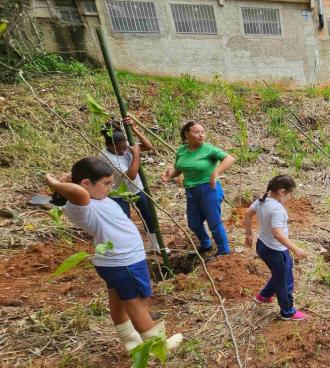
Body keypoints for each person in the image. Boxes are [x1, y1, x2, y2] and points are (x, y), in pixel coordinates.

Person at [44, 158, 183, 353]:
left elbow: (78, 189)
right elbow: (78, 192)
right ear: (86, 184)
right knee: (136, 304)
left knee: (118, 299)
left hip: (115, 262)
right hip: (124, 261)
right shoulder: (82, 204)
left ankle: (131, 342)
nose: (111, 187)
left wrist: (68, 181)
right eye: (107, 183)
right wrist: (56, 183)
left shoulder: (95, 198)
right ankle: (158, 347)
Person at [161, 122, 235, 259]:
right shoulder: (182, 151)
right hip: (191, 191)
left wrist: (216, 172)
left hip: (209, 189)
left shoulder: (208, 149)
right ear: (187, 134)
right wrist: (169, 174)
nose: (201, 135)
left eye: (203, 132)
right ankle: (206, 244)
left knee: (214, 222)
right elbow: (179, 168)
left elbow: (229, 159)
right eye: (196, 132)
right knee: (193, 223)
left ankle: (224, 251)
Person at [243, 175, 308, 321]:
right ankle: (287, 312)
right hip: (276, 250)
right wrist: (295, 249)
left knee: (280, 273)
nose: (290, 198)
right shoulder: (277, 209)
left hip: (262, 245)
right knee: (284, 281)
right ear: (282, 192)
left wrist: (248, 234)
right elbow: (277, 233)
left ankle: (264, 295)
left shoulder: (262, 199)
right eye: (290, 194)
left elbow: (247, 214)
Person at [98, 117, 161, 251]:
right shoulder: (106, 157)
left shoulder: (124, 144)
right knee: (124, 222)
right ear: (110, 146)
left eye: (124, 147)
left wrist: (134, 129)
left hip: (137, 188)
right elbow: (131, 175)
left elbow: (149, 147)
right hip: (118, 193)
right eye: (120, 150)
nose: (123, 151)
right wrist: (136, 154)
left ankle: (156, 246)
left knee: (149, 217)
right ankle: (127, 249)